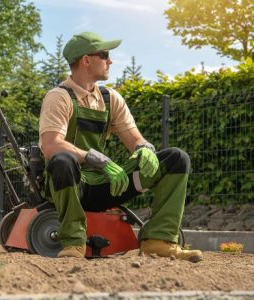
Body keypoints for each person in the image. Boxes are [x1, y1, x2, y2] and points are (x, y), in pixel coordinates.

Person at [38, 32, 203, 262]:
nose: (111, 61)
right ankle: (74, 242)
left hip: (107, 186)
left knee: (176, 159)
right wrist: (98, 159)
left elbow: (135, 139)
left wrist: (145, 148)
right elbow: (51, 145)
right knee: (62, 160)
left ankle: (157, 240)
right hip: (71, 186)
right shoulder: (59, 97)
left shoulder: (110, 98)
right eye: (105, 55)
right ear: (86, 60)